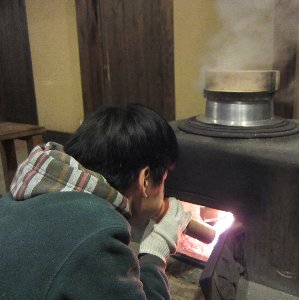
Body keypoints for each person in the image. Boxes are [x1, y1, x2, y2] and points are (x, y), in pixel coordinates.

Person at [0, 103, 191, 299]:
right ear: (145, 178)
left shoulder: (14, 199)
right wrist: (155, 252)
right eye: (164, 179)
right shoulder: (99, 234)